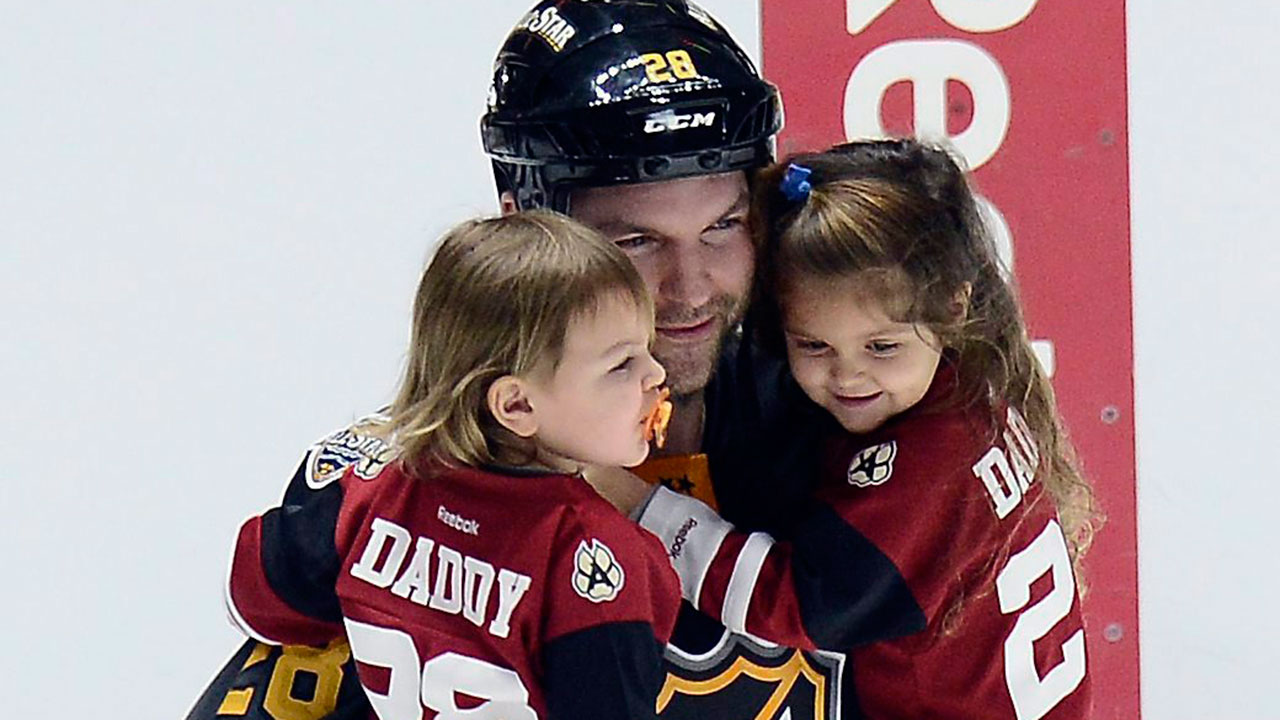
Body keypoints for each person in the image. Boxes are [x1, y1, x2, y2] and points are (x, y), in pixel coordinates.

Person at [185, 2, 842, 719]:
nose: (690, 291)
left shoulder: (856, 423)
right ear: (527, 235)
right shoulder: (414, 490)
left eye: (722, 228)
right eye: (634, 244)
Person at [597, 138, 1099, 719]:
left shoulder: (928, 467)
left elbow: (796, 606)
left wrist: (638, 501)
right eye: (813, 345)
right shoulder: (973, 387)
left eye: (881, 346)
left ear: (953, 306)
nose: (848, 375)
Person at [224, 211, 680, 720]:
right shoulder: (594, 554)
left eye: (646, 349)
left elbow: (256, 598)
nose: (655, 373)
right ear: (517, 406)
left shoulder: (370, 491)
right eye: (622, 364)